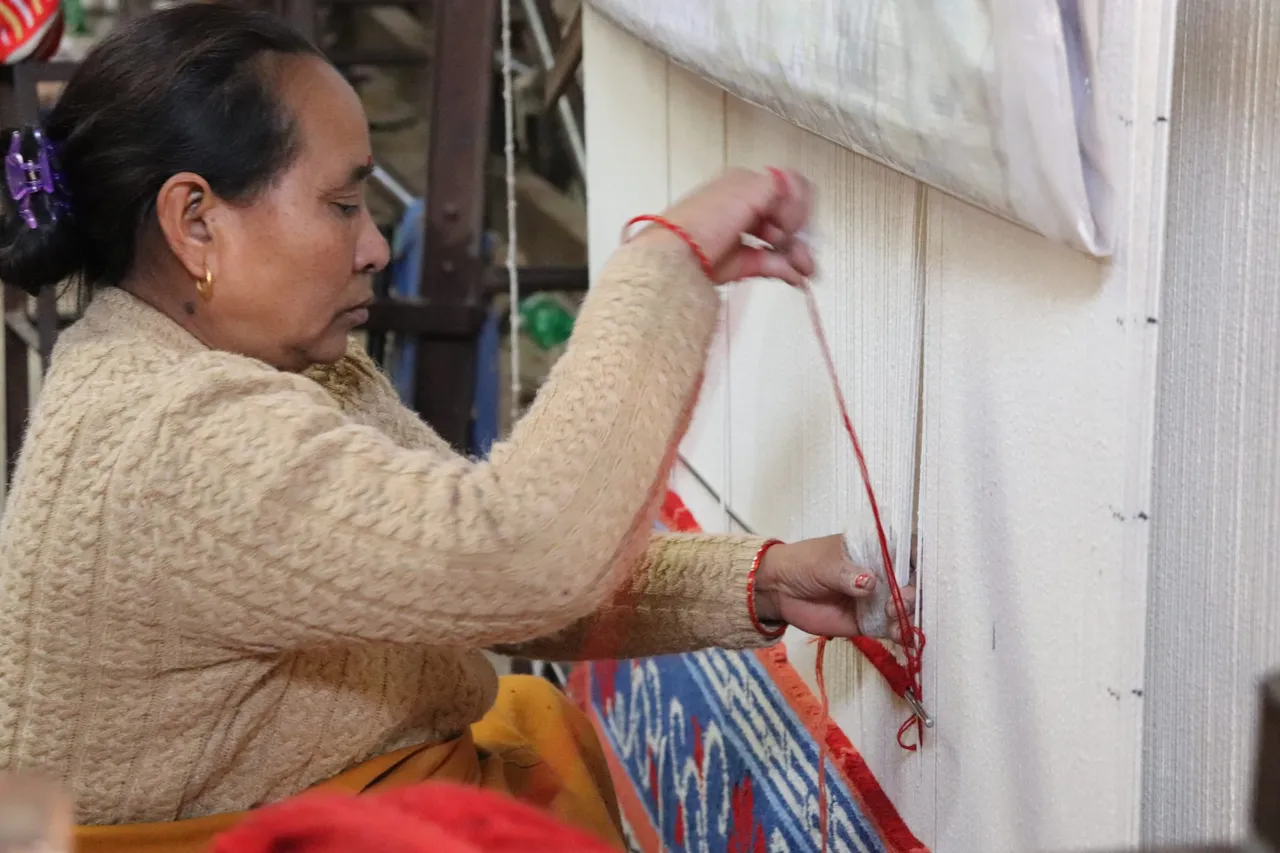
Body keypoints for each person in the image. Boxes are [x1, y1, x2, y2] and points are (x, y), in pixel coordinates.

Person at [0, 4, 914, 851]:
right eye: (342, 203)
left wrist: (757, 582)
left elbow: (469, 582)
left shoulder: (278, 365)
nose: (372, 246)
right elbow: (517, 553)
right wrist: (661, 261)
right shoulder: (171, 434)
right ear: (195, 221)